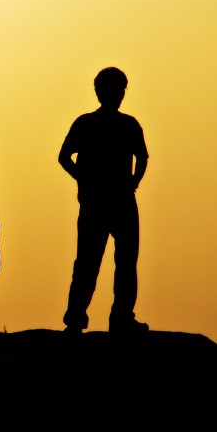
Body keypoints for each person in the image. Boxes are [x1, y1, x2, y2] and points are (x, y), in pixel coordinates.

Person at [60, 67, 150, 335]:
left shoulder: (121, 124)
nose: (117, 94)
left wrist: (133, 181)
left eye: (120, 89)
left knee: (111, 263)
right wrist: (84, 179)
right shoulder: (91, 123)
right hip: (105, 202)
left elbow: (143, 157)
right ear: (100, 92)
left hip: (111, 201)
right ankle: (88, 318)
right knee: (94, 263)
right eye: (113, 89)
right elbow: (64, 157)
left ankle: (106, 318)